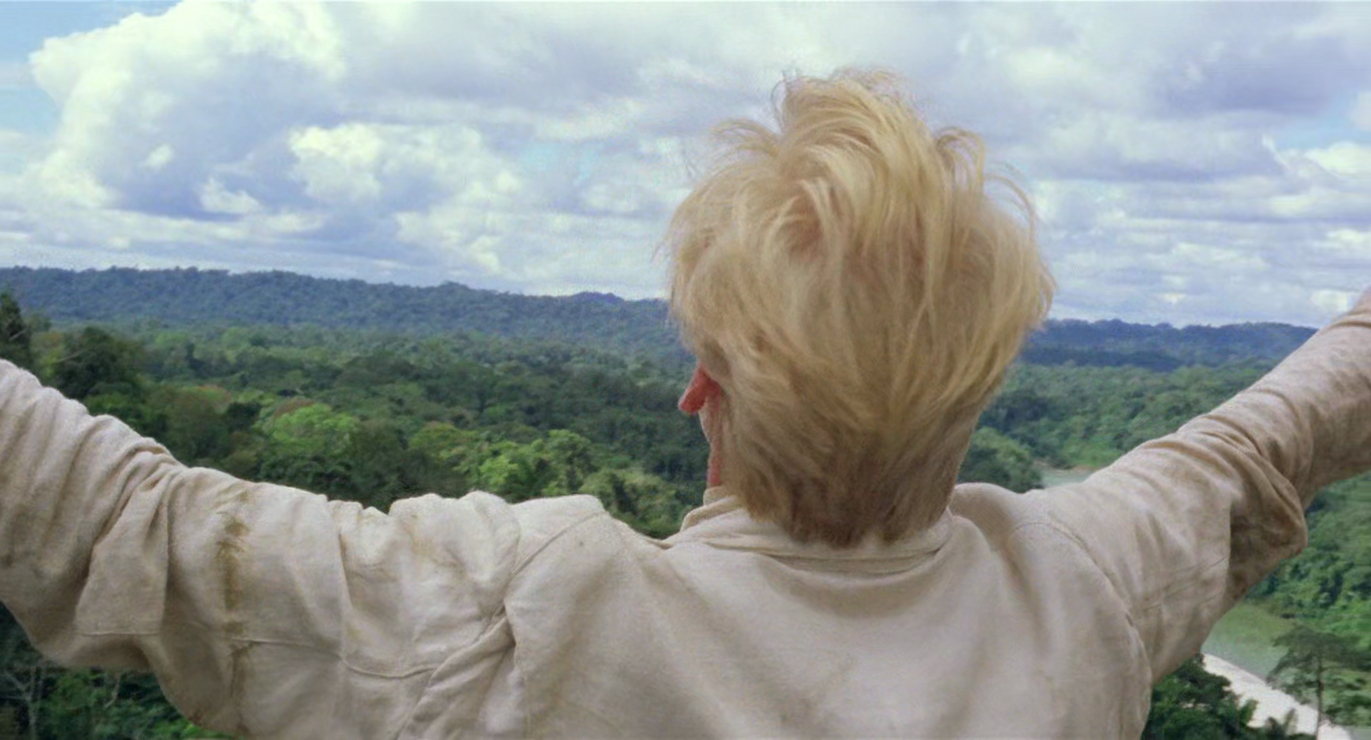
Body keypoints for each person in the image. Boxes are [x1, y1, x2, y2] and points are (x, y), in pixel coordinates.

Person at [0, 69, 1368, 739]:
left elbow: (128, 522)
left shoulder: (525, 619)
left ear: (703, 388)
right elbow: (1272, 437)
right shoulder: (1076, 585)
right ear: (979, 394)